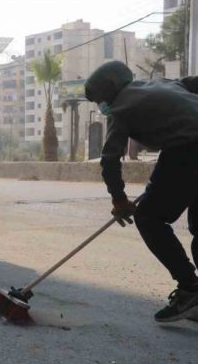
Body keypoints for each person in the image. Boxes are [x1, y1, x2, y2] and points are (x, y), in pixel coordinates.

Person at [84, 61, 198, 323]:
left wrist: (119, 199)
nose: (100, 107)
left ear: (110, 90)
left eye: (99, 100)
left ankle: (190, 290)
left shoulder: (121, 108)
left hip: (186, 150)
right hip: (187, 149)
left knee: (148, 217)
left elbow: (110, 158)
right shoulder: (161, 83)